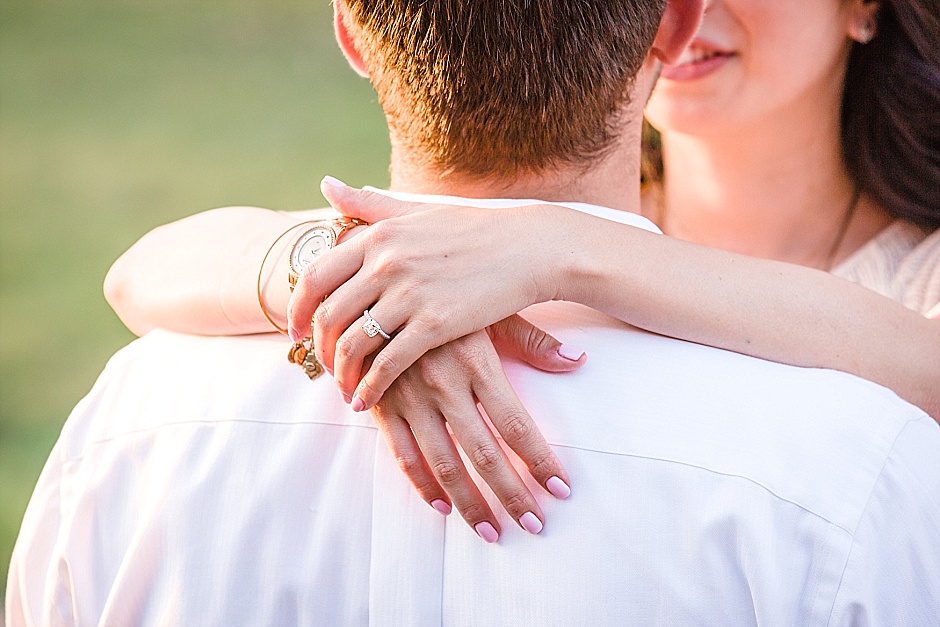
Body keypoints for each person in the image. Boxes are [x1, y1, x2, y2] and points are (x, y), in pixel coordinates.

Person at [9, 0, 940, 624]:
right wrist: (346, 281)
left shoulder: (878, 395)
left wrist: (566, 245)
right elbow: (139, 271)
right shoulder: (451, 258)